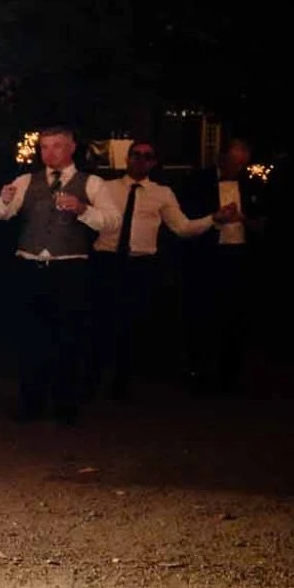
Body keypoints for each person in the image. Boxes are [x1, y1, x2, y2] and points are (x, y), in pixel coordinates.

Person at [0, 126, 122, 423]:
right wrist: (5, 200)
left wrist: (83, 208)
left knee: (69, 338)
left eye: (57, 146)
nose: (50, 153)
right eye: (45, 147)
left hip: (69, 268)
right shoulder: (26, 180)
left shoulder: (93, 183)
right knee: (31, 338)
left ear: (71, 147)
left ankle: (65, 406)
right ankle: (30, 404)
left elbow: (113, 222)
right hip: (30, 267)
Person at [87, 140, 213, 400]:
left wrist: (214, 219)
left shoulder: (162, 193)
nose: (140, 160)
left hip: (140, 265)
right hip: (107, 260)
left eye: (147, 156)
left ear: (154, 162)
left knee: (131, 326)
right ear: (127, 158)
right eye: (136, 155)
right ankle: (91, 381)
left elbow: (182, 227)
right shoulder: (105, 188)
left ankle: (121, 384)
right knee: (99, 322)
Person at [178, 137, 260, 395]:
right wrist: (215, 218)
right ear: (222, 158)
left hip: (238, 256)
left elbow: (263, 221)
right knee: (202, 312)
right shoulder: (199, 181)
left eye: (242, 165)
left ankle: (230, 372)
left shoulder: (251, 184)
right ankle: (197, 368)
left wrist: (243, 219)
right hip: (208, 256)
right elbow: (186, 219)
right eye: (234, 163)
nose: (237, 169)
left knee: (235, 314)